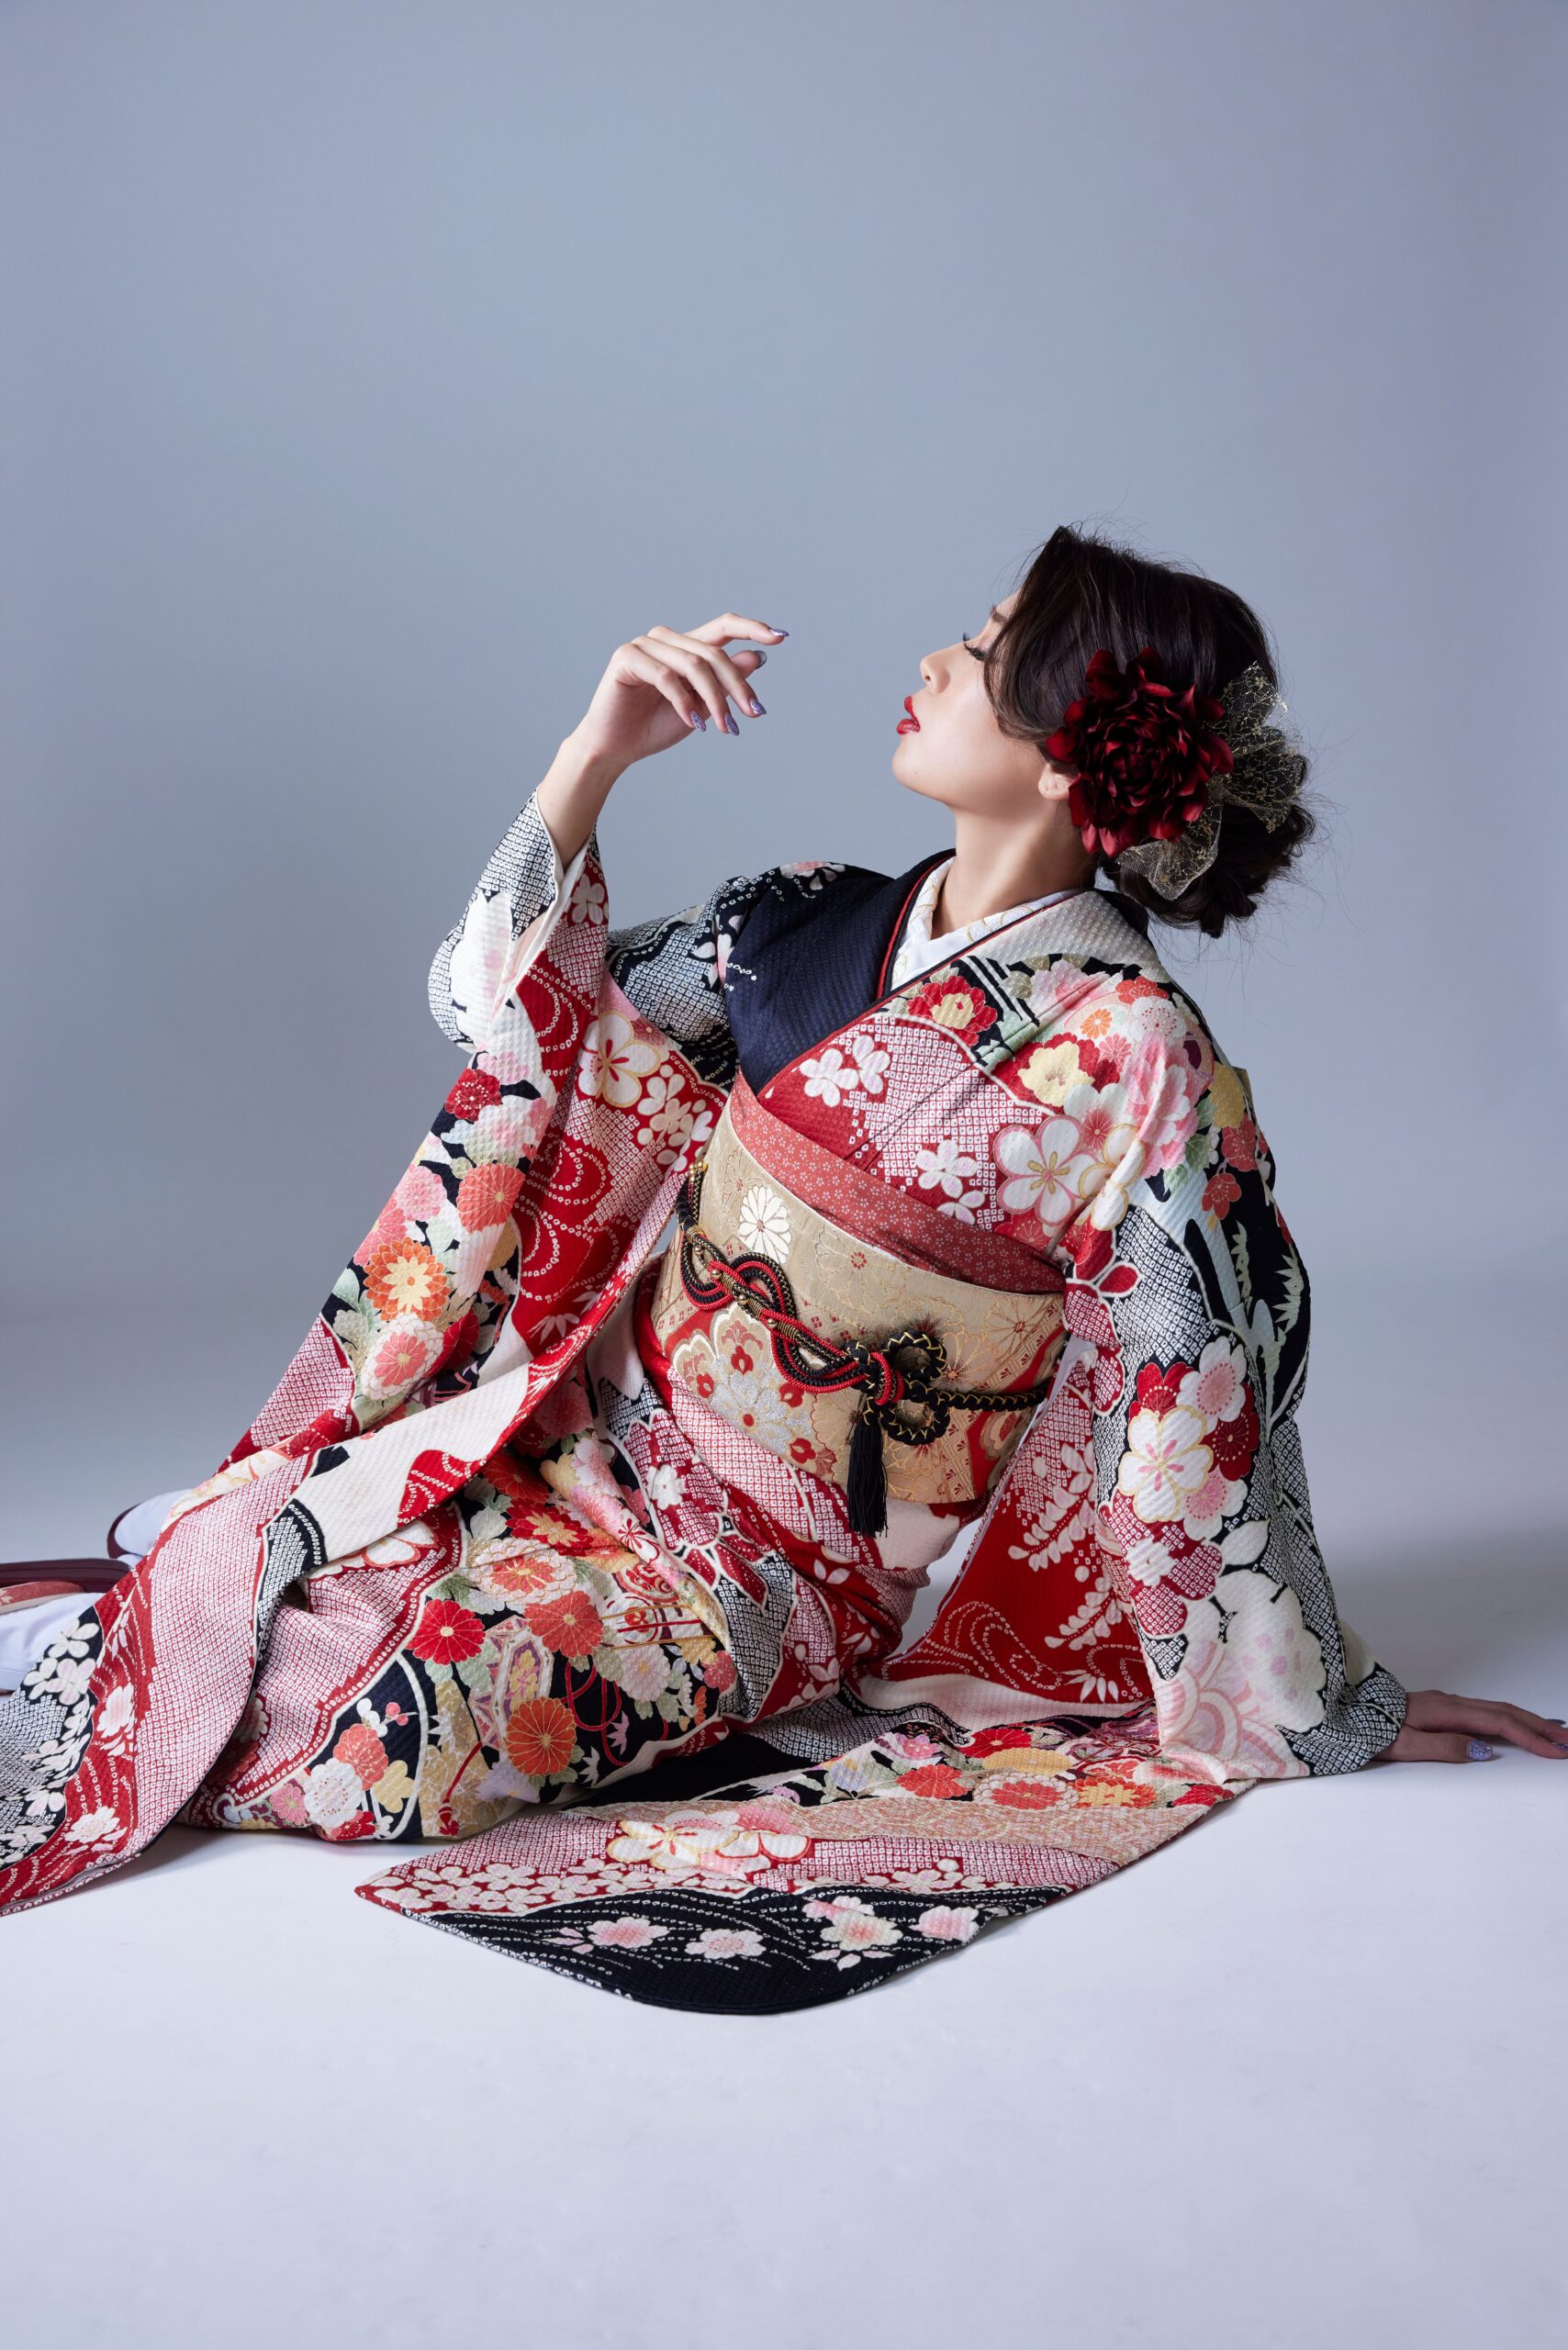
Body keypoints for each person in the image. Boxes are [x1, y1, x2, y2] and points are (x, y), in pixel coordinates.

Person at [4, 524, 1562, 2012]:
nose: (937, 662)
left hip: (759, 1574)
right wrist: (594, 753)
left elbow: (1198, 1379)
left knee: (381, 1734)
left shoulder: (1136, 1056)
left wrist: (1303, 1697)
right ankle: (238, 1563)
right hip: (570, 1448)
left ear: (1068, 753)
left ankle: (231, 1603)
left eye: (989, 651)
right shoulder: (799, 926)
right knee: (263, 1560)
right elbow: (508, 1024)